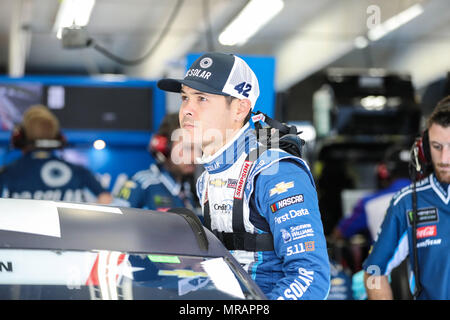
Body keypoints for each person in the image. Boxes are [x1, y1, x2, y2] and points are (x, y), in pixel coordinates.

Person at [157, 52, 330, 300]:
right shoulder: (208, 175)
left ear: (239, 109)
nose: (187, 110)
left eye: (202, 98)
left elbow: (311, 277)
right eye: (185, 97)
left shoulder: (274, 171)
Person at [363, 96, 450, 300]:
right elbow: (374, 270)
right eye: (437, 147)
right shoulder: (407, 203)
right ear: (426, 149)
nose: (444, 159)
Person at [0, 104, 112, 204]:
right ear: (59, 138)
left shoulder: (7, 174)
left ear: (19, 138)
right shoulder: (79, 171)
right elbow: (106, 198)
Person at [115, 112, 199, 212]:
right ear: (165, 148)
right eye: (187, 148)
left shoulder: (189, 189)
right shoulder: (141, 184)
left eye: (198, 149)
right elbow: (113, 223)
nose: (195, 157)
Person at [333, 145, 412, 243]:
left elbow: (340, 233)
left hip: (383, 257)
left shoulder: (369, 203)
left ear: (385, 171)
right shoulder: (432, 197)